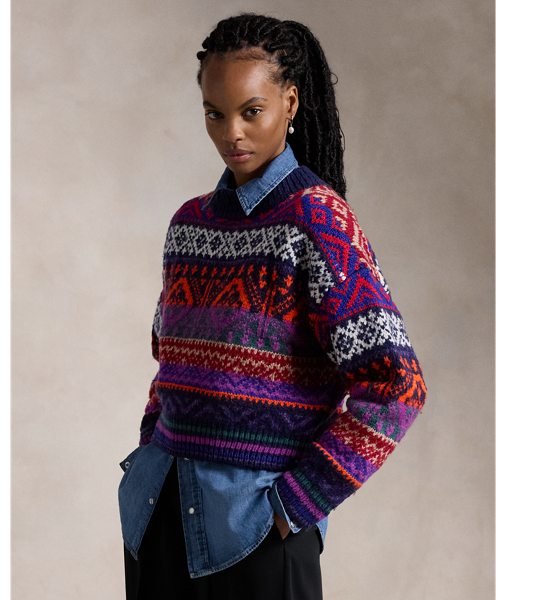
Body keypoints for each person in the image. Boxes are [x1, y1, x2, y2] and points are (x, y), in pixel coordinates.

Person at [118, 13, 426, 600]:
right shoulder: (187, 225)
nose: (231, 132)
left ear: (290, 102)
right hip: (156, 515)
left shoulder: (317, 222)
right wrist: (150, 444)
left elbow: (397, 386)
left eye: (251, 111)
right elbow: (170, 365)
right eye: (214, 113)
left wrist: (295, 504)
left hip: (255, 530)